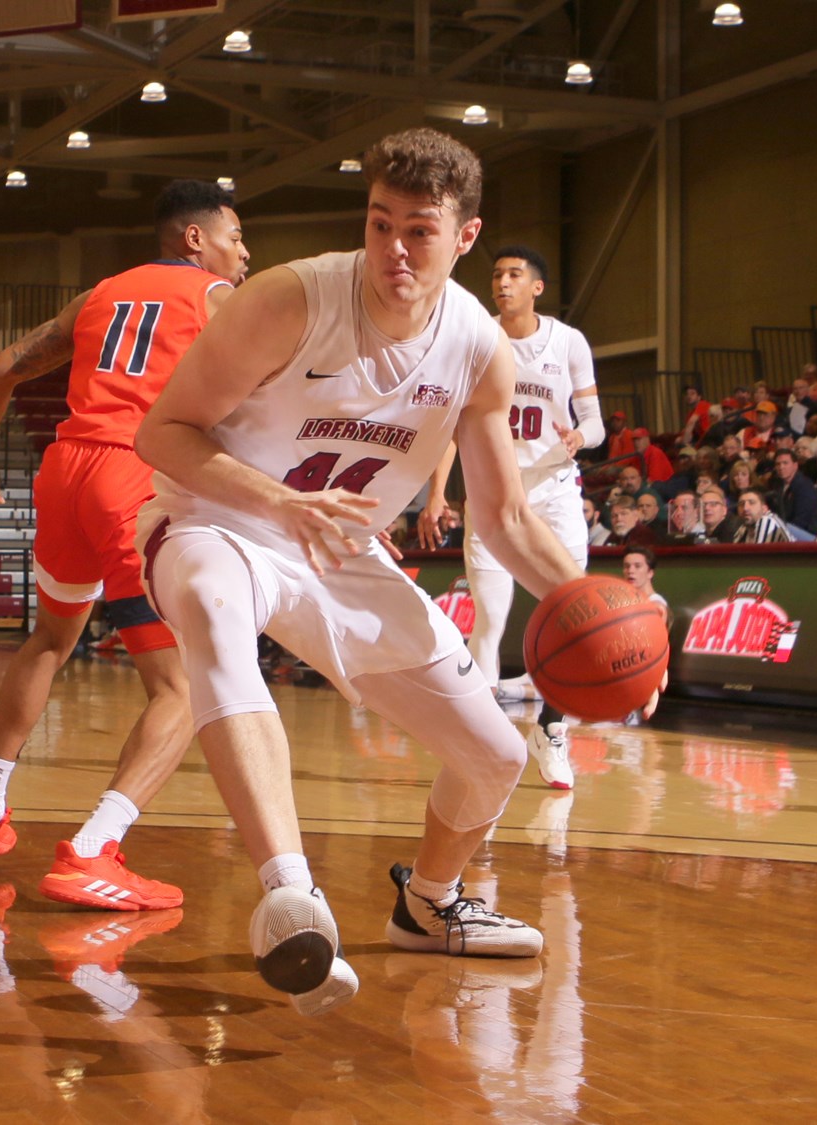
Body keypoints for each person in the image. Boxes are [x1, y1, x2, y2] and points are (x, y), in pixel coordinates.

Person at [135, 127, 622, 1014]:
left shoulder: (478, 347)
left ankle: (430, 904)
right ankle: (291, 896)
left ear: (464, 237)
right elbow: (161, 433)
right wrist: (278, 503)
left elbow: (504, 514)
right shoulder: (290, 299)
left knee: (494, 754)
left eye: (420, 231)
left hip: (338, 550)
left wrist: (601, 603)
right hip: (214, 519)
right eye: (380, 224)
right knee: (211, 606)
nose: (395, 250)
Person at [0, 180, 249, 910]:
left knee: (50, 637)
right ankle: (93, 848)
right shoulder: (219, 300)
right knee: (184, 685)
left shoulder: (102, 294)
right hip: (133, 477)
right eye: (236, 237)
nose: (244, 254)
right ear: (195, 239)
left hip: (64, 469)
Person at [420, 243, 600, 734]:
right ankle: (480, 737)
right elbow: (451, 430)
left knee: (570, 612)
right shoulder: (478, 342)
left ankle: (553, 730)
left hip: (554, 490)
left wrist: (581, 436)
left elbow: (596, 423)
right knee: (490, 618)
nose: (502, 282)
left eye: (514, 274)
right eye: (497, 274)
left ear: (536, 287)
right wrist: (438, 494)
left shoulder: (568, 343)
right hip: (492, 493)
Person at [771, 447, 817, 535]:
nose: (781, 467)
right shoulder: (778, 485)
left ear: (795, 465)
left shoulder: (805, 486)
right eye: (778, 464)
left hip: (805, 534)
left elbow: (802, 520)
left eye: (785, 463)